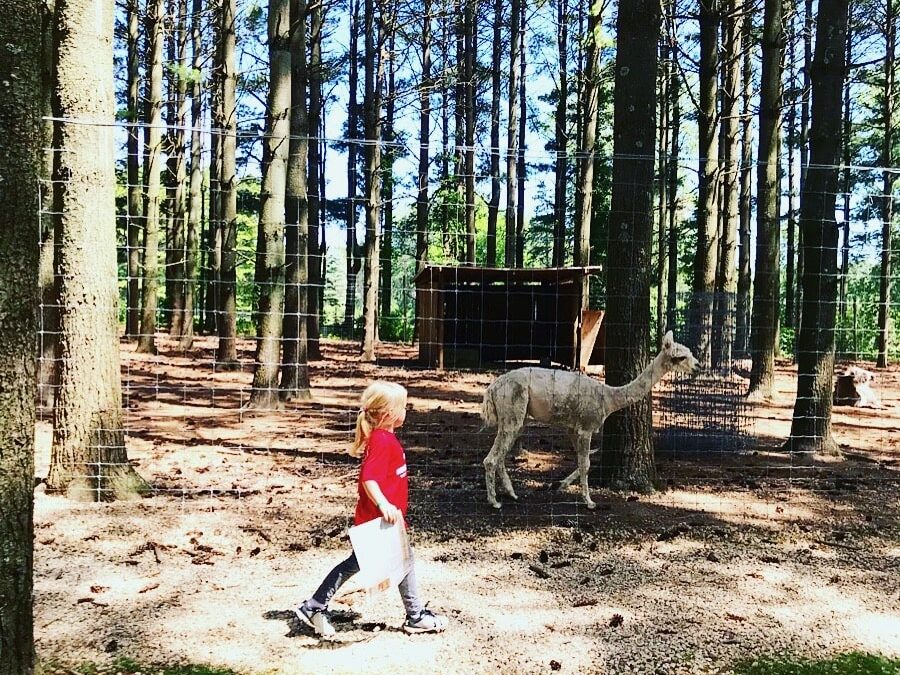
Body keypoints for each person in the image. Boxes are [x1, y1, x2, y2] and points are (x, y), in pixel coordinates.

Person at [295, 380, 449, 637]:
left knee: (384, 561)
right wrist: (384, 504)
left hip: (385, 521)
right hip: (377, 522)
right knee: (384, 562)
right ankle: (414, 616)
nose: (406, 411)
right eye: (404, 407)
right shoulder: (381, 441)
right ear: (389, 414)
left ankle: (316, 605)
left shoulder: (385, 438)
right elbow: (369, 478)